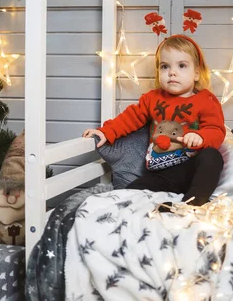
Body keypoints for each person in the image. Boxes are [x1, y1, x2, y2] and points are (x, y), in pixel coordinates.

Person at [83, 16, 225, 207]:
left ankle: (193, 203)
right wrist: (105, 131)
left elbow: (217, 130)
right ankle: (155, 206)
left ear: (197, 72)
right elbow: (129, 118)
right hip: (160, 173)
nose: (172, 72)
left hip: (191, 170)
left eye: (182, 66)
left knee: (212, 157)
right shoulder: (152, 99)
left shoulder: (206, 100)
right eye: (165, 66)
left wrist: (201, 137)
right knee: (127, 196)